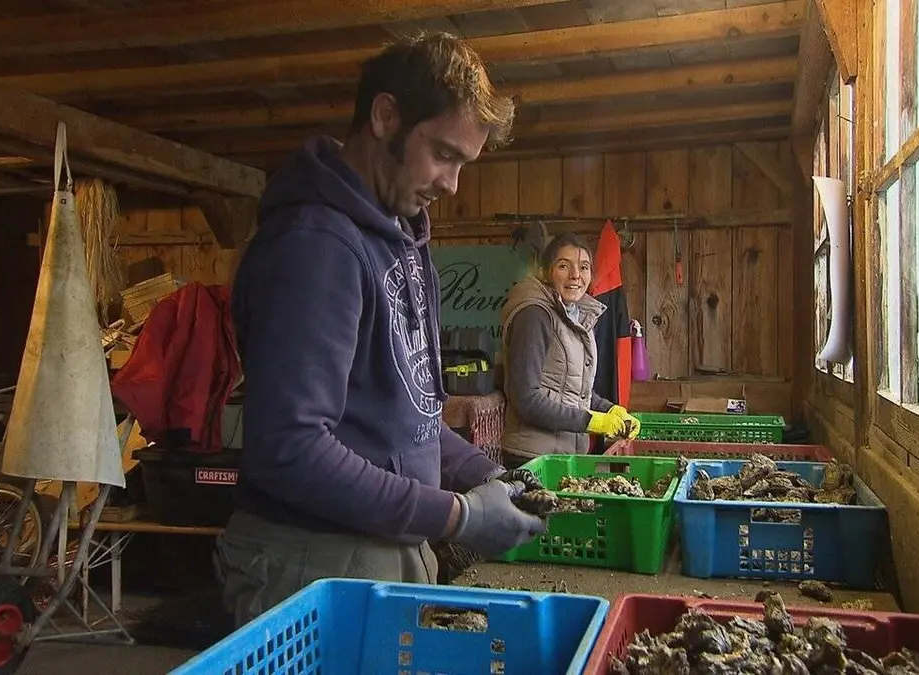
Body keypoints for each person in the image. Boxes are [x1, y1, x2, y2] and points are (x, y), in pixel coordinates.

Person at [215, 32, 546, 628]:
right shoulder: (316, 245)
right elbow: (289, 449)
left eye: (462, 164)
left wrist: (486, 474)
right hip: (312, 563)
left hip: (384, 549)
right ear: (386, 116)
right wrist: (458, 518)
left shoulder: (399, 236)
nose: (451, 184)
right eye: (443, 154)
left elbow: (408, 420)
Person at [499, 233, 642, 469]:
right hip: (533, 458)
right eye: (564, 266)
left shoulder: (570, 314)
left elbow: (572, 390)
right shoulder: (534, 315)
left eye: (584, 267)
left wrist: (610, 410)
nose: (576, 275)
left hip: (563, 455)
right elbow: (526, 399)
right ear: (547, 271)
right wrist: (592, 421)